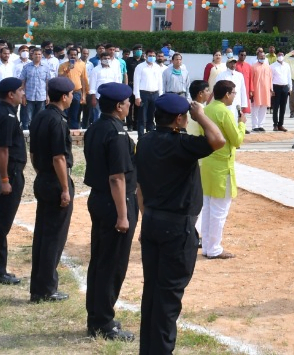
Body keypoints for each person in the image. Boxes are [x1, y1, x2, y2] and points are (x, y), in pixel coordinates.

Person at [136, 94, 224, 354]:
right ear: (178, 119)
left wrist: (146, 218)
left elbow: (139, 187)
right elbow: (218, 140)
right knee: (169, 296)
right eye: (185, 115)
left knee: (152, 291)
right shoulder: (181, 143)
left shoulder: (145, 140)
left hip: (152, 220)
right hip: (177, 227)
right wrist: (202, 115)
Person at [82, 82, 137, 342]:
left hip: (100, 199)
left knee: (101, 260)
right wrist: (123, 214)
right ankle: (104, 321)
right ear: (119, 106)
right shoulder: (116, 132)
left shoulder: (96, 127)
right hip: (114, 202)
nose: (129, 106)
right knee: (112, 264)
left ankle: (97, 316)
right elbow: (117, 177)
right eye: (127, 103)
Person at [30, 76, 76, 302]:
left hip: (43, 178)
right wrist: (65, 188)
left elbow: (33, 154)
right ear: (65, 96)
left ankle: (38, 286)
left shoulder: (40, 115)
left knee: (42, 235)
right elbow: (59, 157)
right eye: (71, 95)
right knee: (53, 238)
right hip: (56, 180)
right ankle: (46, 288)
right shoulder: (58, 121)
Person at [0, 77, 26, 286]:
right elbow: (2, 150)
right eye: (20, 90)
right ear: (11, 94)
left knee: (0, 222)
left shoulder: (3, 112)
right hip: (10, 173)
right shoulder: (7, 116)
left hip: (10, 172)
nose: (22, 94)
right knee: (1, 223)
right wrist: (4, 179)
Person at [199, 79, 246, 260]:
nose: (234, 96)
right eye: (233, 93)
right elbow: (237, 140)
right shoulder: (224, 112)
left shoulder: (208, 109)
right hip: (222, 165)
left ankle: (208, 247)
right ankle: (214, 248)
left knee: (209, 207)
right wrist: (242, 123)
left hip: (208, 162)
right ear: (227, 94)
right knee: (219, 210)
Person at [87, 49, 124, 125]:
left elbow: (117, 83)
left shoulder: (113, 70)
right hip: (99, 97)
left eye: (108, 58)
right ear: (101, 59)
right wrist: (93, 98)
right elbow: (92, 85)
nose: (107, 60)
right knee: (98, 116)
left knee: (111, 115)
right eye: (105, 58)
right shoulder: (96, 70)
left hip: (111, 97)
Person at [21, 48, 54, 130]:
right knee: (27, 120)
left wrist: (48, 96)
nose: (37, 56)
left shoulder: (46, 68)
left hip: (41, 97)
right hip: (29, 97)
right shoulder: (26, 67)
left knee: (40, 119)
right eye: (35, 54)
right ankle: (26, 137)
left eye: (39, 54)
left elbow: (47, 83)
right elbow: (23, 82)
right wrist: (23, 96)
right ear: (32, 55)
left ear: (41, 55)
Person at [134, 48, 163, 133]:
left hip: (155, 94)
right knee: (142, 118)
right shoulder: (140, 67)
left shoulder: (157, 67)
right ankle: (141, 138)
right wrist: (137, 96)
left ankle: (150, 137)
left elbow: (160, 82)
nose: (152, 57)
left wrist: (160, 95)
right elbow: (136, 82)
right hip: (143, 94)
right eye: (150, 56)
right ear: (145, 56)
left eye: (154, 56)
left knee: (151, 117)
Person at [249, 53, 272, 131]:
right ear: (257, 57)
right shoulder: (253, 67)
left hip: (266, 91)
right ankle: (255, 126)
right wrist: (251, 90)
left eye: (263, 56)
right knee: (255, 108)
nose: (262, 57)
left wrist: (271, 89)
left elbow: (270, 79)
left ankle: (261, 125)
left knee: (264, 108)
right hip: (257, 90)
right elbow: (251, 79)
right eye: (261, 56)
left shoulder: (268, 67)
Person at [269, 51, 291, 131]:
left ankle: (280, 124)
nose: (280, 56)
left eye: (282, 55)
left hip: (285, 87)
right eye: (279, 55)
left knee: (283, 107)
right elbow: (270, 79)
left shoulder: (287, 65)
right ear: (276, 56)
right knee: (275, 107)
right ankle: (275, 124)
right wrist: (271, 89)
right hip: (276, 87)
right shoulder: (272, 66)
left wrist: (290, 88)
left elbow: (289, 76)